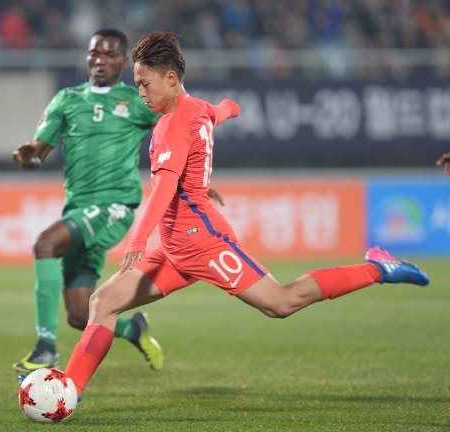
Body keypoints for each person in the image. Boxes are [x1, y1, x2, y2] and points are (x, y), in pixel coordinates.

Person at [60, 32, 430, 398]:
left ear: (170, 78)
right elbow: (223, 110)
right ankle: (69, 389)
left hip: (203, 242)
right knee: (103, 301)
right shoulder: (198, 108)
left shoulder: (170, 125)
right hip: (175, 250)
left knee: (281, 303)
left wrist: (138, 239)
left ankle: (378, 267)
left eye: (145, 84)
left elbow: (164, 190)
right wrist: (230, 110)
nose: (141, 92)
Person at [12, 28, 226, 374]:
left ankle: (45, 348)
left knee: (45, 244)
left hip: (114, 208)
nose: (100, 60)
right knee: (81, 315)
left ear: (124, 62)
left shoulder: (136, 101)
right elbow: (38, 153)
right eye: (94, 53)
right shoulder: (67, 100)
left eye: (110, 54)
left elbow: (185, 129)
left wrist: (198, 181)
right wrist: (27, 158)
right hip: (79, 211)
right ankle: (134, 329)